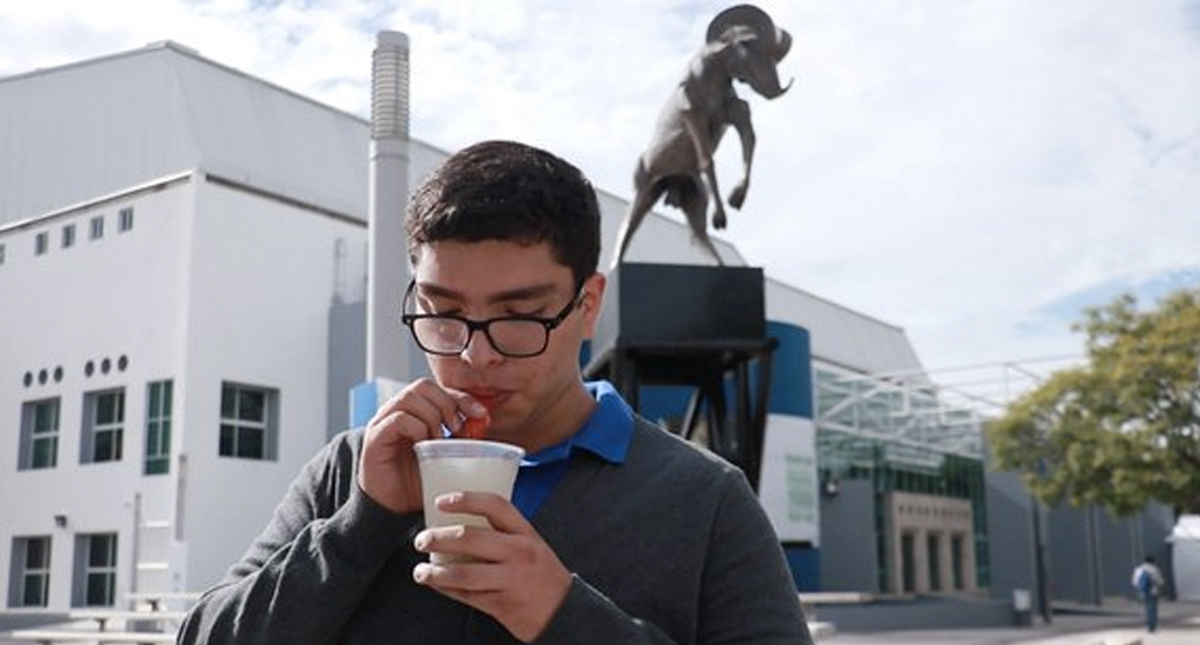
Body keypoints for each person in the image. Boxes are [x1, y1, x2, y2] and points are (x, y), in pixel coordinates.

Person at [177, 140, 813, 645]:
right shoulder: (353, 469)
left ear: (588, 306)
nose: (475, 355)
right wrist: (362, 524)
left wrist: (562, 616)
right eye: (443, 314)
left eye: (518, 317)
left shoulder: (705, 501)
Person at [1131, 555, 1165, 633]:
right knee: (1153, 608)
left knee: (1147, 608)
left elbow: (1134, 582)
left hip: (1143, 591)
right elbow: (1160, 581)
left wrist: (1141, 587)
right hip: (1153, 591)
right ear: (1152, 562)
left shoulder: (1138, 569)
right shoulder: (1154, 569)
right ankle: (1152, 625)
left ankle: (1149, 623)